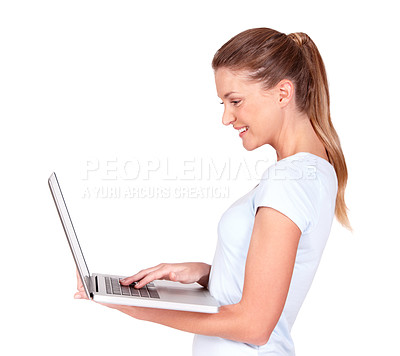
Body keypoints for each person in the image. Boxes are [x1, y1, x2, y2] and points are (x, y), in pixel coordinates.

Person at [75, 27, 351, 355]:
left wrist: (135, 308)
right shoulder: (314, 170)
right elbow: (271, 285)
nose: (226, 117)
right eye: (223, 102)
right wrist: (208, 274)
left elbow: (254, 325)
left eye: (235, 101)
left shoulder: (289, 181)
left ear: (282, 93)